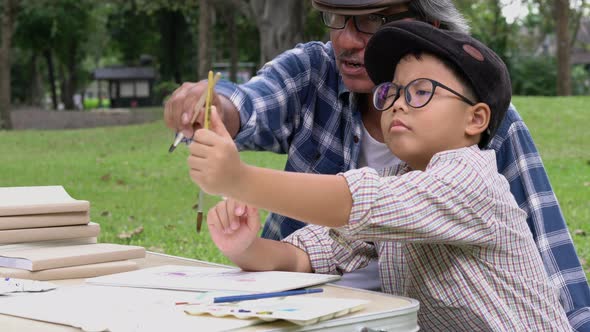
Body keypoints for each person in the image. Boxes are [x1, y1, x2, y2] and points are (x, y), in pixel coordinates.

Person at [164, 0, 590, 329]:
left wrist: (239, 179)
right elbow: (309, 253)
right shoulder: (397, 178)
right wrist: (245, 246)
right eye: (393, 92)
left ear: (476, 119)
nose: (399, 103)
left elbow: (355, 202)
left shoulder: (471, 176)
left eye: (421, 91)